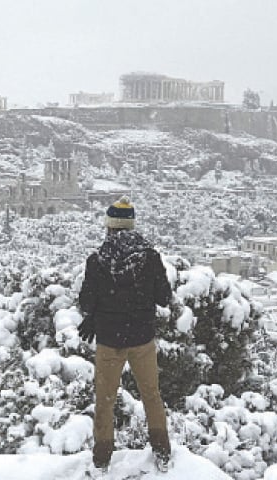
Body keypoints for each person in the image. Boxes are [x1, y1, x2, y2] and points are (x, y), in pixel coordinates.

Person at [78, 195, 173, 474]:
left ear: (109, 227)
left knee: (105, 400)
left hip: (109, 342)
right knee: (151, 396)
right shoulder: (151, 257)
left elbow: (87, 303)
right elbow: (164, 298)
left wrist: (99, 313)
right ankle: (162, 451)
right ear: (130, 227)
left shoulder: (97, 260)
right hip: (142, 339)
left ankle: (102, 459)